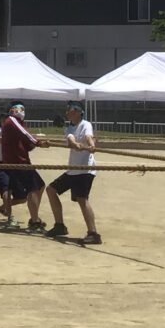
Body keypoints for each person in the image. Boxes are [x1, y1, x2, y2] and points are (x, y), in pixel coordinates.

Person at [45, 103, 99, 244]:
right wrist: (76, 145)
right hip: (73, 170)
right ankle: (60, 226)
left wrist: (91, 145)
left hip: (85, 170)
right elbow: (71, 139)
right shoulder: (69, 127)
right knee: (51, 190)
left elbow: (88, 137)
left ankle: (93, 234)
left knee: (82, 199)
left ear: (78, 112)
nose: (67, 112)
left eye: (70, 110)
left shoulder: (85, 124)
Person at [0, 102, 52, 231]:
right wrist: (38, 143)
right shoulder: (12, 121)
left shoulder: (19, 124)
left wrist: (34, 144)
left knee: (39, 186)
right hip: (18, 163)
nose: (22, 111)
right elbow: (27, 136)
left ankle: (34, 218)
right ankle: (34, 221)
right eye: (20, 108)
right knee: (33, 189)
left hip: (21, 161)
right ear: (13, 110)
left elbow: (26, 143)